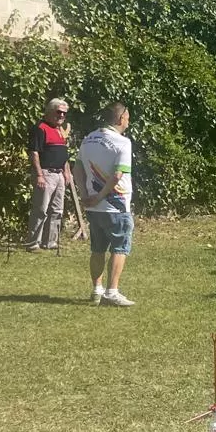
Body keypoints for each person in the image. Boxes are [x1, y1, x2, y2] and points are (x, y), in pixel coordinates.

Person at [79, 102, 135, 306]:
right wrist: (101, 196)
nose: (128, 122)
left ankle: (96, 289)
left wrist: (85, 194)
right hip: (116, 205)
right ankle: (112, 291)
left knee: (97, 248)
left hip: (93, 206)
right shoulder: (122, 142)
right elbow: (118, 175)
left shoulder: (88, 140)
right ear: (120, 119)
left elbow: (77, 168)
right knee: (120, 247)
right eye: (127, 118)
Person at [24, 98, 72, 251]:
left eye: (64, 113)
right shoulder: (40, 128)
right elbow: (34, 152)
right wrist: (39, 175)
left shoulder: (60, 130)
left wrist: (67, 173)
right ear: (50, 111)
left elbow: (63, 154)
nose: (62, 116)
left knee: (57, 210)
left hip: (59, 175)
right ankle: (33, 243)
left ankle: (50, 242)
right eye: (59, 112)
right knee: (41, 209)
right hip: (46, 173)